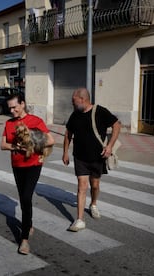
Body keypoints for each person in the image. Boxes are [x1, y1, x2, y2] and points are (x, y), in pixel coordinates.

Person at [0, 94, 55, 255]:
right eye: (9, 108)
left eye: (14, 107)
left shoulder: (35, 121)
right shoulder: (9, 123)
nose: (12, 110)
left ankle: (24, 240)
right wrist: (15, 147)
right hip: (17, 165)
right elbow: (3, 145)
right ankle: (28, 223)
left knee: (25, 198)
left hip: (33, 165)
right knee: (24, 199)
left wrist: (32, 142)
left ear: (22, 104)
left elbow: (51, 140)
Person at [62, 88, 121, 231]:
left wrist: (110, 146)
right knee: (82, 186)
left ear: (83, 100)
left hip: (97, 157)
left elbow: (117, 125)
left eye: (74, 101)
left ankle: (93, 203)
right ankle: (80, 220)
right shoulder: (75, 115)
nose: (72, 104)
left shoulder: (100, 111)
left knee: (94, 185)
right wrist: (65, 152)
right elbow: (68, 133)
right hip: (80, 157)